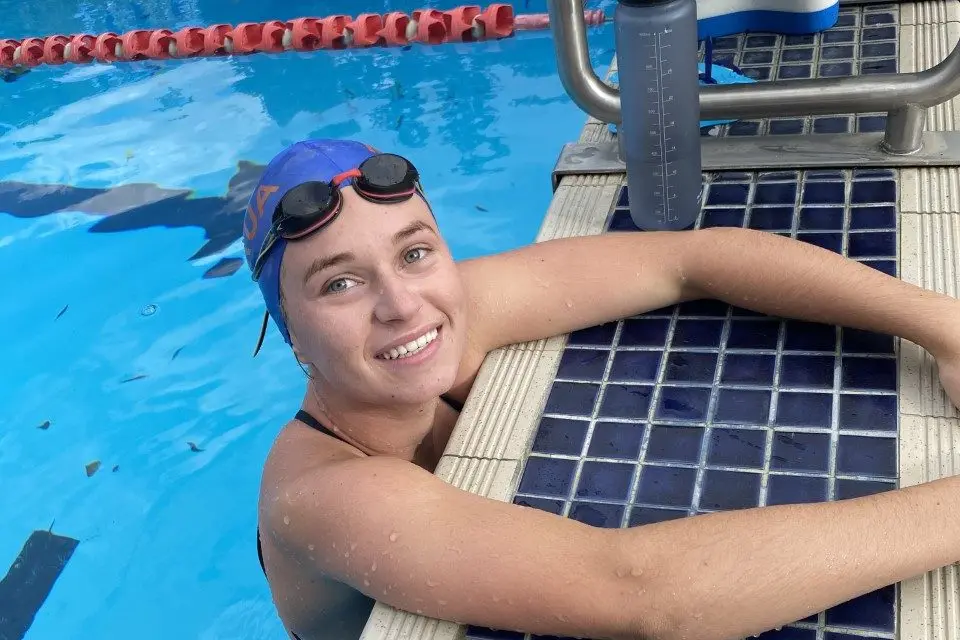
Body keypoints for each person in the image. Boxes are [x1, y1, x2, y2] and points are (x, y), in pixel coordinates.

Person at [244, 138, 960, 640]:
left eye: (415, 251)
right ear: (292, 335)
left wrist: (943, 326)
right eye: (340, 282)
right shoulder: (325, 497)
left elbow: (692, 260)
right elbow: (647, 595)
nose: (401, 304)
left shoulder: (447, 311)